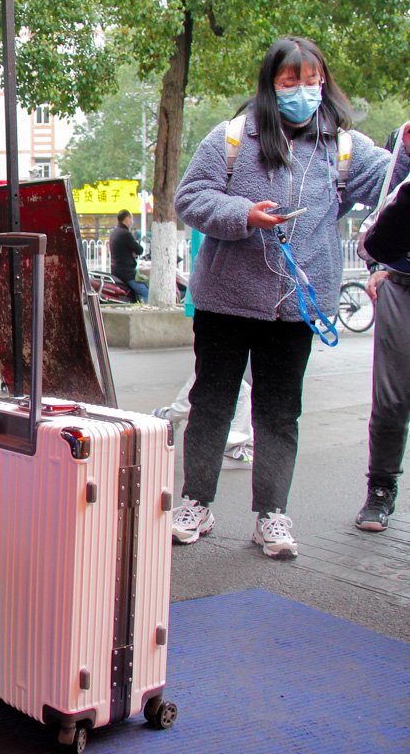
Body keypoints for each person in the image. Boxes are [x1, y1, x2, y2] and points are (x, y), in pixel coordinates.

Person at [171, 36, 410, 559]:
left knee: (279, 414)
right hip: (226, 302)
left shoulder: (343, 146)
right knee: (211, 405)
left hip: (296, 307)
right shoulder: (233, 137)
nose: (304, 90)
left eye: (312, 79)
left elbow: (394, 184)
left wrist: (408, 148)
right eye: (290, 81)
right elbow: (189, 198)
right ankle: (195, 502)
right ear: (271, 84)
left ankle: (271, 515)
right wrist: (243, 215)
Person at [355, 146, 410, 532]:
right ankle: (381, 489)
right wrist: (378, 265)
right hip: (402, 287)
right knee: (391, 398)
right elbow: (371, 240)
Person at [109, 209, 147, 302]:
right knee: (145, 292)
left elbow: (122, 250)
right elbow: (139, 250)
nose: (131, 221)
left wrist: (130, 252)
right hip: (126, 272)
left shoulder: (114, 232)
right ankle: (146, 313)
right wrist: (133, 252)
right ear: (126, 219)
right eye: (131, 218)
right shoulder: (125, 234)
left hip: (116, 270)